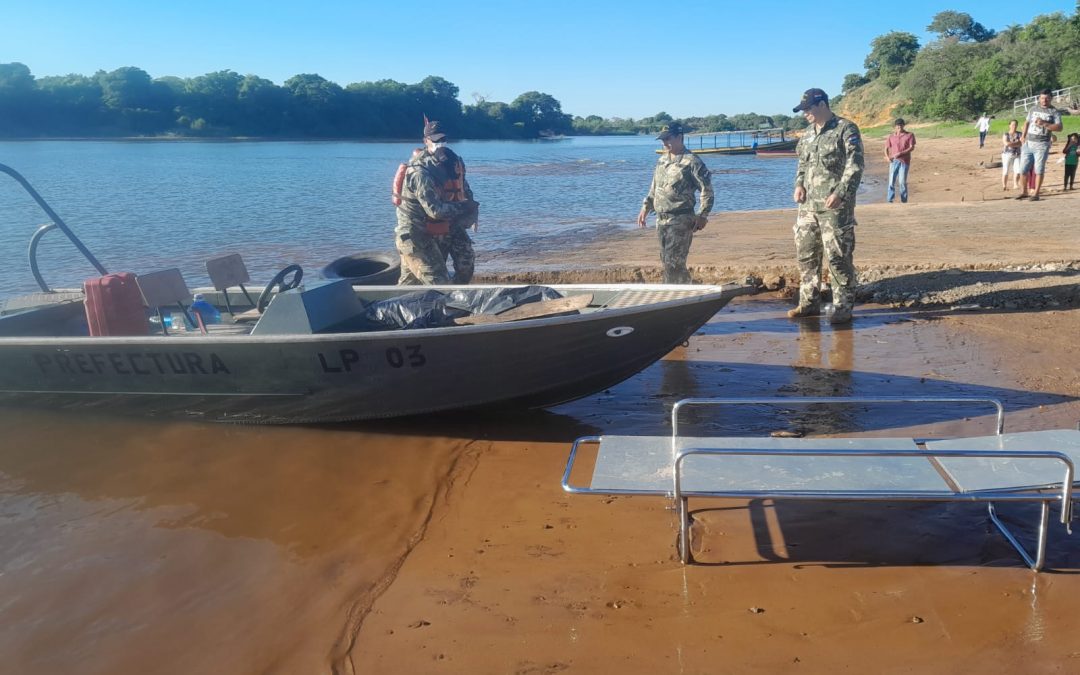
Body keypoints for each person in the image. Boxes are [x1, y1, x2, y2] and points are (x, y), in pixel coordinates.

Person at [789, 88, 864, 325]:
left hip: (835, 207)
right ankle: (809, 304)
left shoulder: (846, 129)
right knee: (806, 256)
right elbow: (802, 164)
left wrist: (840, 193)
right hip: (807, 207)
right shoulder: (808, 134)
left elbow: (855, 166)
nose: (805, 114)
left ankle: (842, 306)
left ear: (822, 105)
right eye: (803, 110)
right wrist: (799, 185)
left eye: (808, 109)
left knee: (838, 257)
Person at [394, 119, 479, 284]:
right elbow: (435, 210)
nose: (441, 144)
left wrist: (473, 210)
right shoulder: (419, 172)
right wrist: (465, 207)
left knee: (466, 261)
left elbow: (464, 190)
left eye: (443, 139)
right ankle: (443, 301)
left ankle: (457, 299)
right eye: (436, 140)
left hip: (446, 225)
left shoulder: (453, 162)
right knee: (435, 280)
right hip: (417, 231)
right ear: (426, 141)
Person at [637, 121, 714, 284]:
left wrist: (703, 215)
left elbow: (706, 190)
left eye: (668, 139)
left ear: (680, 137)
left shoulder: (692, 161)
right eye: (663, 140)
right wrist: (645, 207)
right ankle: (675, 293)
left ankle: (683, 298)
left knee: (675, 264)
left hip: (681, 220)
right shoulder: (662, 160)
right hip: (661, 220)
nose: (665, 143)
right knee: (667, 262)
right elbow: (655, 187)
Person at [1017, 89, 1063, 202]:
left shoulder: (1054, 112)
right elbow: (1027, 122)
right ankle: (1024, 192)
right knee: (1023, 169)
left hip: (1042, 144)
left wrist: (1044, 124)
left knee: (1039, 169)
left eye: (1047, 98)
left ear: (1051, 99)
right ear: (1039, 99)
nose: (1044, 100)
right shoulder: (1033, 109)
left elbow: (1059, 128)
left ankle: (1036, 193)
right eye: (1042, 98)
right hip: (1028, 143)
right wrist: (1023, 136)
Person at [883, 118, 915, 203]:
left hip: (904, 161)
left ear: (903, 125)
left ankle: (904, 201)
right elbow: (886, 148)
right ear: (895, 126)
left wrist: (900, 153)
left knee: (902, 182)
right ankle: (890, 200)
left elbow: (911, 147)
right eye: (898, 125)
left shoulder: (910, 135)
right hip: (893, 162)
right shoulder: (891, 136)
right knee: (891, 181)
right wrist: (887, 157)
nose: (899, 127)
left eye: (901, 125)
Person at [1001, 120, 1023, 191]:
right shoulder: (1006, 134)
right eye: (1013, 125)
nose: (1014, 126)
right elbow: (1006, 143)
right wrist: (1016, 143)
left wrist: (1011, 144)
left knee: (1018, 170)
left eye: (1016, 125)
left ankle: (1015, 184)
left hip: (1017, 154)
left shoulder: (1020, 134)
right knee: (1006, 170)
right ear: (1009, 125)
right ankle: (1004, 185)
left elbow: (1021, 143)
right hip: (1007, 154)